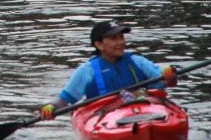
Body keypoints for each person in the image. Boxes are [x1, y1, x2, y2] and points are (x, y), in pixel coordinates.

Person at [40, 21, 175, 121]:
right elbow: (65, 100)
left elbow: (164, 82)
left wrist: (169, 76)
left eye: (121, 37)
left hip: (142, 105)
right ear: (99, 45)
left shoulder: (137, 61)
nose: (121, 42)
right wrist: (51, 107)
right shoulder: (87, 70)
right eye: (114, 38)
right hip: (104, 115)